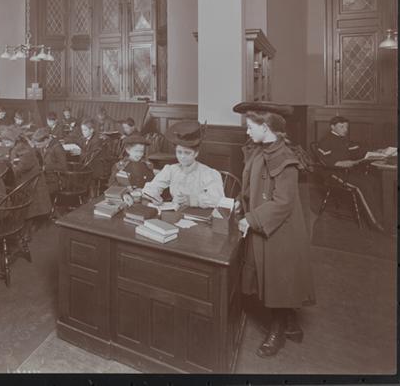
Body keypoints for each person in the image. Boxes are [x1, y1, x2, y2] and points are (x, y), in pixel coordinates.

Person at [232, 101, 315, 358]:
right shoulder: (260, 150)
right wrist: (241, 201)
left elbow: (283, 202)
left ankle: (277, 332)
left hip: (280, 231)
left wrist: (251, 219)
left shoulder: (284, 158)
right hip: (265, 224)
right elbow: (251, 184)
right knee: (271, 278)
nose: (247, 131)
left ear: (265, 127)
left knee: (278, 281)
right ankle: (290, 324)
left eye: (250, 126)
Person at [316, 116, 381, 227]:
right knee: (363, 185)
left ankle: (380, 215)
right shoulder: (325, 141)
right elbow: (327, 162)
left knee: (373, 180)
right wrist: (350, 163)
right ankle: (375, 222)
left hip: (348, 171)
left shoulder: (344, 140)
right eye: (341, 127)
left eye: (346, 127)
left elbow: (358, 150)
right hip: (333, 174)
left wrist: (377, 152)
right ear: (332, 127)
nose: (345, 129)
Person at [142, 120, 224, 208]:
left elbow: (218, 199)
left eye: (187, 153)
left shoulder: (208, 173)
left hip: (199, 214)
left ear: (196, 153)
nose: (182, 157)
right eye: (179, 152)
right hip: (175, 213)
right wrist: (154, 195)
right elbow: (151, 188)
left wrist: (192, 200)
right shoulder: (171, 170)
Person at [0, 126, 51, 233]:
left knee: (5, 186)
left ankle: (26, 223)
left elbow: (20, 167)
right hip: (28, 179)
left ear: (13, 140)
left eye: (7, 142)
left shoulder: (23, 149)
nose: (5, 145)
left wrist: (8, 165)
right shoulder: (19, 146)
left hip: (30, 183)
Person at [31, 127, 68, 198]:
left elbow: (64, 167)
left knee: (37, 190)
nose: (37, 147)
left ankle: (46, 205)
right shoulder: (43, 145)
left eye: (39, 145)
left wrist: (46, 167)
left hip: (57, 179)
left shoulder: (57, 148)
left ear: (46, 140)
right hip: (47, 176)